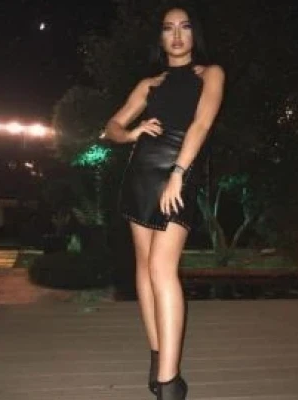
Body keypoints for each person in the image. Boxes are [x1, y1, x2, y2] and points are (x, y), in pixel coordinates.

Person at [103, 5, 224, 399]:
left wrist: (178, 174)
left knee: (161, 267)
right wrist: (131, 132)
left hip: (177, 173)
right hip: (141, 175)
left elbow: (201, 124)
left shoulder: (210, 74)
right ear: (160, 37)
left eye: (184, 27)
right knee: (144, 267)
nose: (176, 35)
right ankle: (158, 358)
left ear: (194, 34)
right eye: (168, 28)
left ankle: (170, 383)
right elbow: (111, 126)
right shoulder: (149, 84)